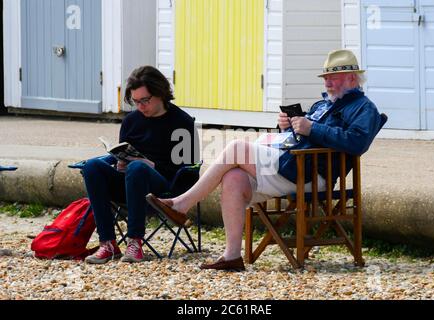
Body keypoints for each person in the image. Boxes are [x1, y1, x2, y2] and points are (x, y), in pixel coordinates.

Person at [146, 49, 383, 271]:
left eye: (334, 78)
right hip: (290, 167)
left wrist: (311, 128)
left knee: (236, 148)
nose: (327, 83)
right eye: (325, 78)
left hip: (310, 175)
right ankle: (232, 256)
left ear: (352, 78)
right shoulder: (322, 104)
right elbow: (302, 137)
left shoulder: (364, 108)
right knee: (233, 177)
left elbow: (357, 143)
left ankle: (181, 205)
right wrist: (287, 128)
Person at [84, 66, 197, 264]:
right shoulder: (131, 121)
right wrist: (119, 162)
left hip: (164, 190)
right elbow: (123, 150)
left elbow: (188, 172)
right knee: (92, 166)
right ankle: (107, 243)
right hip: (130, 183)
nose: (141, 106)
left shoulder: (182, 122)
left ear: (160, 93)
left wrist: (150, 165)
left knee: (138, 168)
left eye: (145, 100)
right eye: (136, 102)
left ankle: (134, 242)